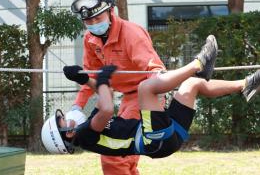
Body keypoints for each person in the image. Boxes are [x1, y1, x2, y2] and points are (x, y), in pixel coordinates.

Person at [43, 36, 260, 157]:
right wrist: (100, 81)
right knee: (145, 88)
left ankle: (245, 85)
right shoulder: (86, 135)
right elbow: (108, 108)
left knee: (192, 85)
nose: (70, 117)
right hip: (153, 140)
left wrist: (83, 80)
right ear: (67, 135)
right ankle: (198, 63)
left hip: (165, 137)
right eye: (64, 122)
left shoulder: (89, 125)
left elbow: (106, 95)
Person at [66, 0, 167, 174]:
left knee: (114, 153)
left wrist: (159, 93)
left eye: (98, 18)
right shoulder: (90, 39)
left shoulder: (132, 33)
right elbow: (90, 77)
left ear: (111, 11)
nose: (94, 24)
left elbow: (154, 68)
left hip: (145, 95)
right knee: (123, 155)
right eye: (89, 21)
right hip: (126, 99)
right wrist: (77, 107)